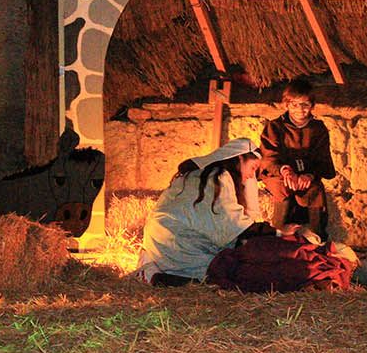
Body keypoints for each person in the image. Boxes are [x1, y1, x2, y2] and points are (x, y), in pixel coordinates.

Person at [136, 138, 272, 286]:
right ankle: (156, 277)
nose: (252, 175)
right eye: (253, 167)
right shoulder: (217, 178)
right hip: (176, 241)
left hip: (171, 238)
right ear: (240, 158)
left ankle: (156, 270)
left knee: (231, 268)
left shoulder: (205, 174)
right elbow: (234, 225)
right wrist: (276, 234)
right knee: (227, 276)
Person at [259, 78, 336, 241]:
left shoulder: (318, 129)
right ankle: (277, 236)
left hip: (306, 174)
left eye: (305, 105)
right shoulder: (275, 127)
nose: (300, 110)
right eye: (294, 104)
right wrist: (285, 170)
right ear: (286, 105)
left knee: (314, 189)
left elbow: (322, 159)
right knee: (282, 187)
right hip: (279, 174)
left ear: (312, 106)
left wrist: (310, 175)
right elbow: (269, 157)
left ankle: (317, 238)